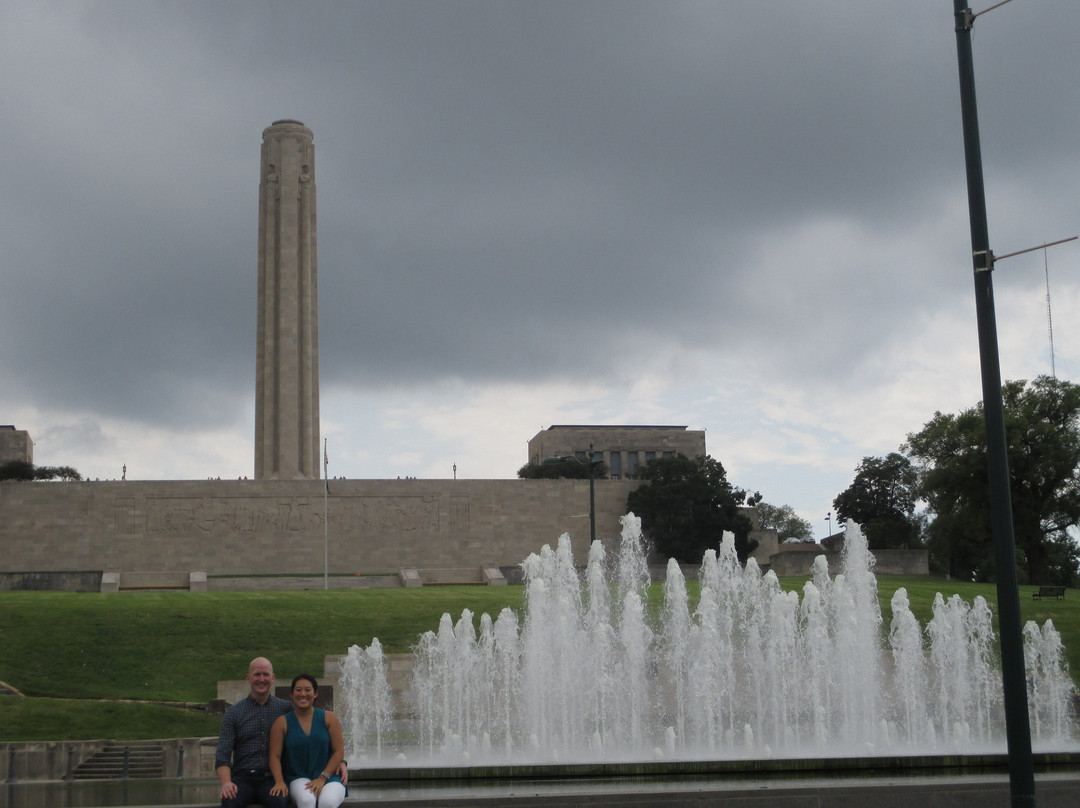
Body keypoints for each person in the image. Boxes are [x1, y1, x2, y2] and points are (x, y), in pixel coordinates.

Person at [215, 658, 347, 808]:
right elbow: (222, 755)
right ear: (248, 678)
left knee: (280, 801)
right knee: (229, 801)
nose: (262, 679)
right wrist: (226, 782)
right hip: (243, 778)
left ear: (273, 678)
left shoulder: (286, 709)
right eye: (257, 674)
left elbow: (314, 729)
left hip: (272, 778)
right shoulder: (234, 713)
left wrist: (341, 761)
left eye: (266, 674)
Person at [269, 674, 347, 808]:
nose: (303, 694)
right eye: (298, 690)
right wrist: (279, 781)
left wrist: (323, 778)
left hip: (329, 777)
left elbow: (338, 752)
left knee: (328, 802)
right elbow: (274, 757)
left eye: (308, 690)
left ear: (315, 693)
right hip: (297, 777)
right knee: (306, 801)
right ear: (292, 694)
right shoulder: (281, 723)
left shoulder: (329, 718)